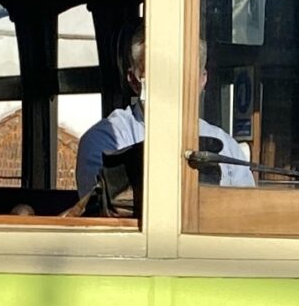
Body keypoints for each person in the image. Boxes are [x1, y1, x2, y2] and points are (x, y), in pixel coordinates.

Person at [75, 23, 252, 200]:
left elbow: (248, 209)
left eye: (185, 75)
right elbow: (108, 209)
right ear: (134, 81)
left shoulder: (226, 147)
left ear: (202, 80)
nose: (172, 86)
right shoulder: (108, 140)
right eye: (161, 74)